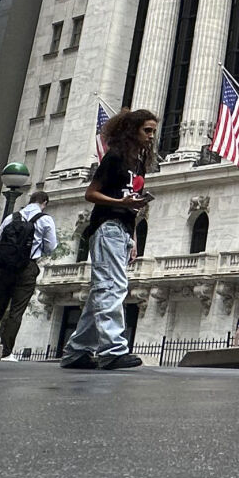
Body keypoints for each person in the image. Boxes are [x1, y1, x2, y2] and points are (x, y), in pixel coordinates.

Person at [61, 108, 156, 371]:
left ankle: (76, 352)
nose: (150, 136)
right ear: (132, 130)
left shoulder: (138, 164)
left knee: (102, 291)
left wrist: (134, 237)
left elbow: (133, 206)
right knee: (112, 286)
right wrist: (119, 202)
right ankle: (113, 350)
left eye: (153, 132)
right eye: (146, 130)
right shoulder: (115, 157)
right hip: (107, 226)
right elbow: (90, 193)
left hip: (123, 229)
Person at [0, 189, 58, 360]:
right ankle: (6, 352)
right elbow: (51, 247)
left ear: (30, 200)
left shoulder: (11, 217)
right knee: (16, 311)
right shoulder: (45, 219)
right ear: (44, 203)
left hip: (6, 268)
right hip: (27, 267)